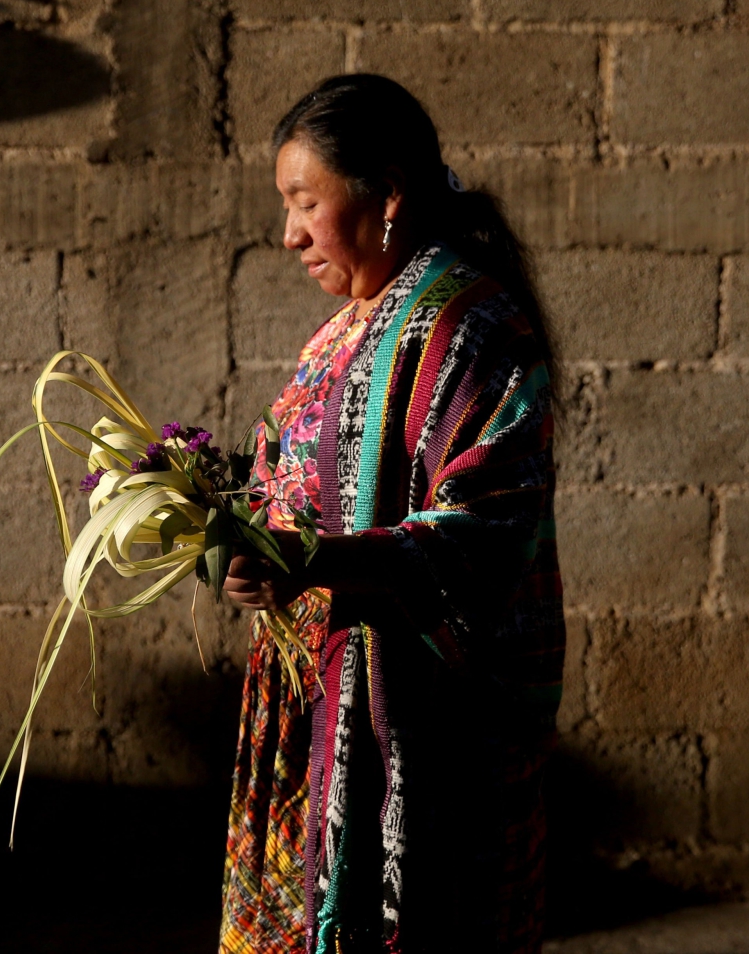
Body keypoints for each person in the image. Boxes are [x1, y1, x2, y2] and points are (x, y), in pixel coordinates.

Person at [218, 74, 564, 954]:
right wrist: (214, 528)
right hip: (316, 722)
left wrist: (315, 562)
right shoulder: (345, 330)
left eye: (306, 203)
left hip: (423, 737)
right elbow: (289, 481)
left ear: (390, 195)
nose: (288, 233)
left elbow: (487, 530)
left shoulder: (469, 326)